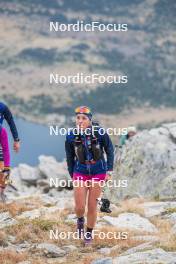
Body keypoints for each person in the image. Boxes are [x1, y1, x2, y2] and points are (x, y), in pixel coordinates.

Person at [65, 106, 114, 246]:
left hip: (98, 171)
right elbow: (69, 156)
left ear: (90, 120)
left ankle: (88, 234)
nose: (80, 121)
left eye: (84, 118)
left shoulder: (100, 132)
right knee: (80, 207)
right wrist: (72, 175)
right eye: (78, 118)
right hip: (80, 171)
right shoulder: (70, 135)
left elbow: (110, 150)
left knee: (92, 206)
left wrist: (109, 171)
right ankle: (80, 220)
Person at [0, 124, 10, 202]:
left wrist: (6, 168)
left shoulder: (2, 131)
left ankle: (2, 193)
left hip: (0, 154)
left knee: (6, 176)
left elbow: (5, 150)